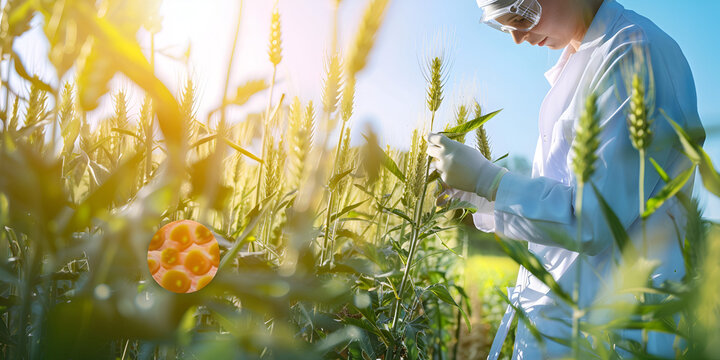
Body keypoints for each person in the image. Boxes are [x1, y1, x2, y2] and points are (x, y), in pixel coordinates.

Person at [425, 0, 706, 358]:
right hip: (566, 328)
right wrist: (477, 193)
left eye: (521, 14)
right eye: (502, 23)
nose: (516, 36)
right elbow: (565, 208)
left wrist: (489, 181)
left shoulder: (634, 51)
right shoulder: (585, 60)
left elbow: (592, 220)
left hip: (612, 330)